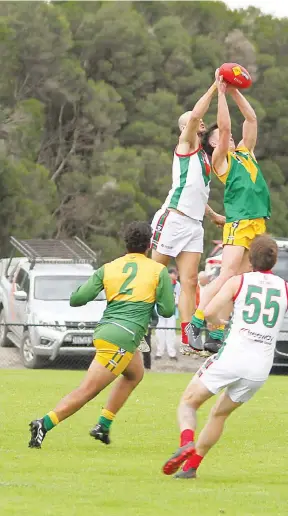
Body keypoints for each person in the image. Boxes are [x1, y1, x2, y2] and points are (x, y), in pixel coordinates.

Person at [162, 234, 288, 479]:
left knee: (188, 402)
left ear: (250, 260)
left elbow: (210, 311)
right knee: (219, 414)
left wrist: (220, 322)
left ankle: (186, 441)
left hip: (233, 356)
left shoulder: (238, 281)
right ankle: (191, 467)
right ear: (274, 261)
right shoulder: (287, 289)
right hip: (259, 368)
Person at [28, 222, 175, 449]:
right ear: (150, 244)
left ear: (125, 243)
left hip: (107, 331)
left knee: (135, 374)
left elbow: (77, 299)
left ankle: (103, 425)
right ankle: (43, 424)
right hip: (123, 337)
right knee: (87, 391)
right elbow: (167, 311)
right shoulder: (158, 270)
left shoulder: (109, 267)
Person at [188, 72, 271, 355]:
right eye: (220, 137)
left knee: (245, 279)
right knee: (225, 277)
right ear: (212, 144)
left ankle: (218, 331)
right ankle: (196, 322)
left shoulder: (246, 152)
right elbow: (224, 129)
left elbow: (251, 120)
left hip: (258, 222)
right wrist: (221, 93)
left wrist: (235, 91)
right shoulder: (221, 160)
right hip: (241, 222)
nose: (229, 135)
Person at [151, 78, 225, 355]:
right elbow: (195, 115)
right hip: (174, 218)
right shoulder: (185, 145)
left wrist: (213, 214)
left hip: (194, 225)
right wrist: (214, 89)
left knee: (190, 281)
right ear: (187, 128)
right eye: (199, 123)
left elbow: (197, 192)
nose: (203, 124)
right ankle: (136, 325)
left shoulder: (205, 158)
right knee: (153, 274)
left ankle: (187, 338)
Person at [155, 268, 181, 360]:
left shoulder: (177, 285)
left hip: (172, 312)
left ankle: (172, 353)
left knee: (171, 332)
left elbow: (179, 296)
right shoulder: (161, 283)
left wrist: (176, 302)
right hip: (160, 312)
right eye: (174, 274)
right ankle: (159, 352)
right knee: (160, 332)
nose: (175, 276)